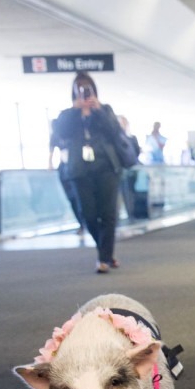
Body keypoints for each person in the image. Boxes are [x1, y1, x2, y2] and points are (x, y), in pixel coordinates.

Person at [52, 71, 128, 273]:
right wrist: (76, 111)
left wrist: (98, 110)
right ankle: (105, 251)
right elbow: (60, 133)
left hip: (106, 167)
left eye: (88, 89)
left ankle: (104, 258)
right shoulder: (67, 115)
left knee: (108, 213)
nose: (85, 94)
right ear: (74, 93)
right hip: (79, 170)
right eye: (80, 89)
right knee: (89, 215)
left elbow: (115, 132)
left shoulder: (105, 110)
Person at [48, 121, 84, 234]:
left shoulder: (73, 133)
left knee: (81, 197)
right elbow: (52, 149)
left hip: (77, 166)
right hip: (64, 169)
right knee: (71, 198)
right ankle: (81, 224)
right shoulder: (55, 136)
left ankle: (86, 222)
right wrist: (50, 163)